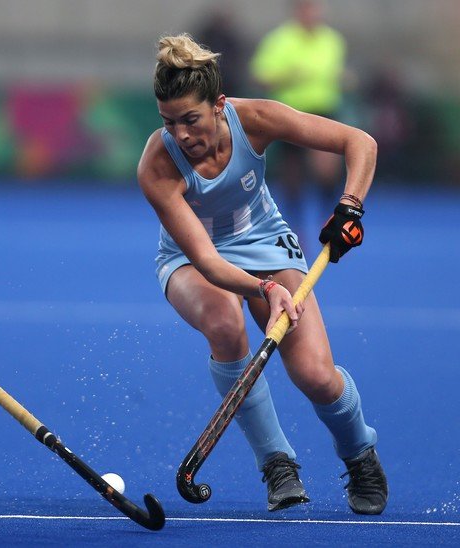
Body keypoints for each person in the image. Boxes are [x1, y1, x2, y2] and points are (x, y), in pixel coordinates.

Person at [137, 33, 388, 515]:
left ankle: (360, 453)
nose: (182, 135)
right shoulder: (157, 165)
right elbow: (209, 263)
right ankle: (277, 463)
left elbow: (360, 142)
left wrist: (349, 207)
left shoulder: (256, 119)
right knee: (224, 322)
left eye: (191, 119)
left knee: (315, 376)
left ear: (219, 105)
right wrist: (266, 289)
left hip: (265, 241)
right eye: (169, 122)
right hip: (194, 258)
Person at [249, 0, 347, 243]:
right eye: (307, 8)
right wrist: (289, 77)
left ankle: (330, 221)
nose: (312, 13)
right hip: (289, 114)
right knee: (292, 174)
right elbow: (260, 76)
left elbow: (334, 75)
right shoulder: (279, 40)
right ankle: (296, 227)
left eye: (316, 8)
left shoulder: (333, 41)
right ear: (297, 11)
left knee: (327, 169)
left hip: (324, 111)